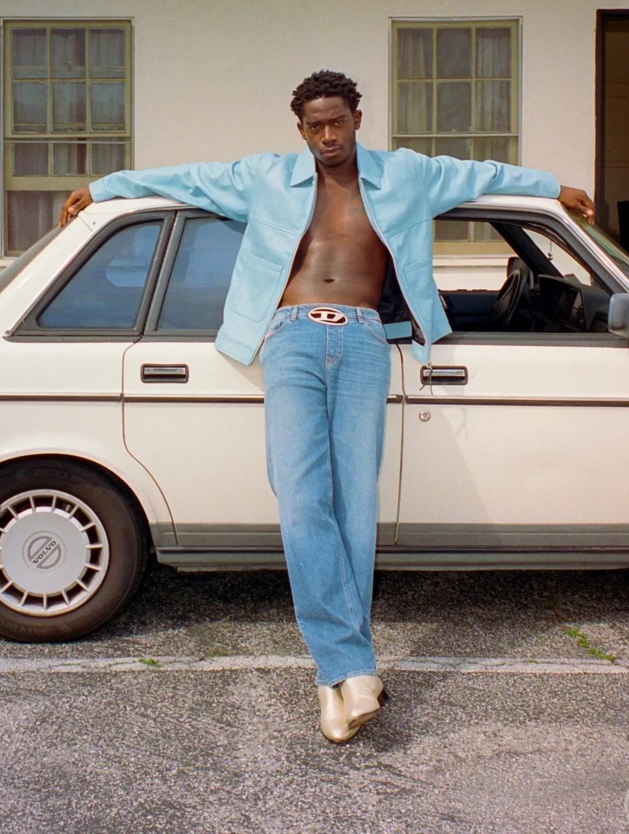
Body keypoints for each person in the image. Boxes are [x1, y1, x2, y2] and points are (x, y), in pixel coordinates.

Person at [60, 70, 595, 744]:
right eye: (314, 126)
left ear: (358, 117)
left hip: (367, 340)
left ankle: (334, 679)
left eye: (337, 122)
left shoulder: (407, 174)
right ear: (300, 128)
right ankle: (352, 665)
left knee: (354, 506)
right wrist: (106, 187)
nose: (327, 136)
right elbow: (188, 179)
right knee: (302, 498)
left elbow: (480, 172)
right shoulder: (267, 178)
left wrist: (556, 188)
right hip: (289, 338)